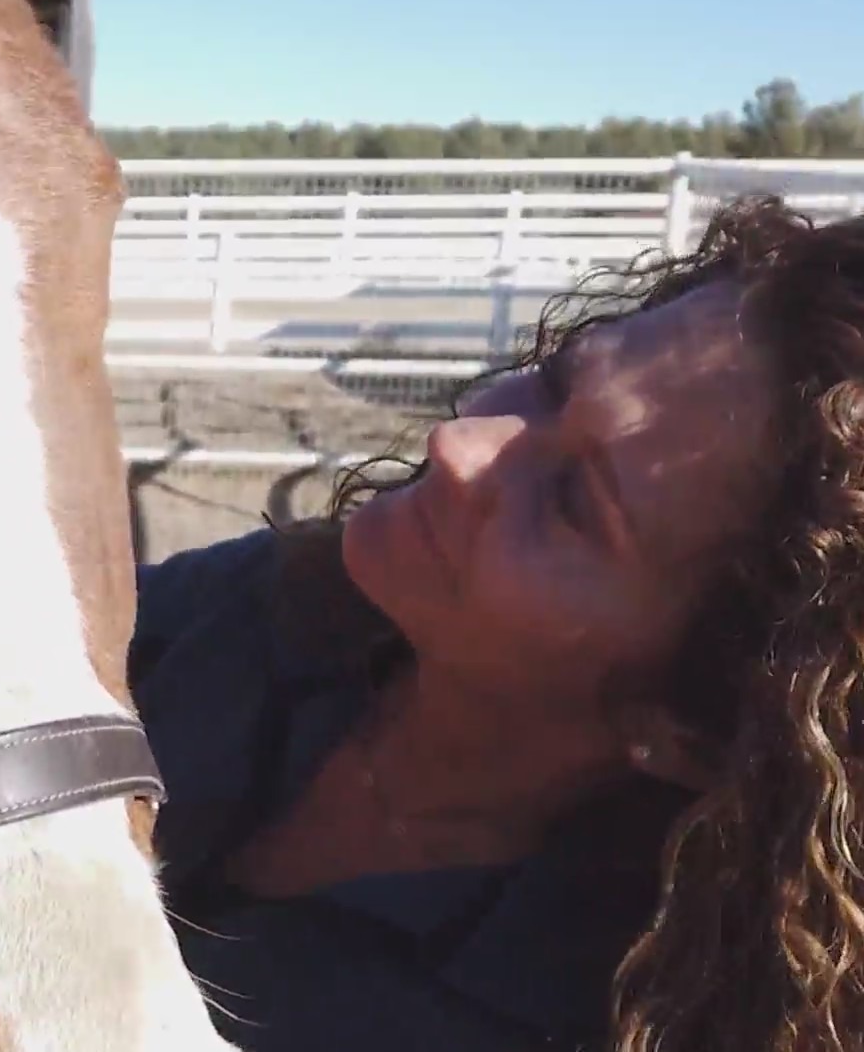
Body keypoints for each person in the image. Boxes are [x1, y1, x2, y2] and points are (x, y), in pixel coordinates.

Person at [133, 196, 864, 1052]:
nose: (462, 446)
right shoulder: (277, 604)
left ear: (682, 726)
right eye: (556, 382)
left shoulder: (575, 1018)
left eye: (574, 504)